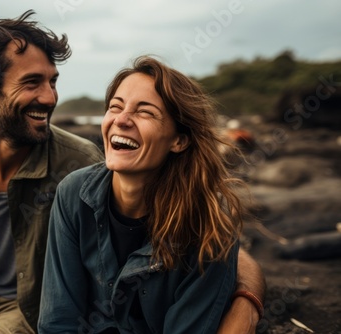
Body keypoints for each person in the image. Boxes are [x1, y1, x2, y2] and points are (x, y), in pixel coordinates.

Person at [0, 10, 264, 334]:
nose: (50, 98)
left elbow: (219, 246)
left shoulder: (79, 161)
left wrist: (245, 304)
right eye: (33, 82)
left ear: (179, 139)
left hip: (26, 313)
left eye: (52, 82)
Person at [38, 56, 264, 333]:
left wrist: (248, 305)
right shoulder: (74, 193)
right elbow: (58, 320)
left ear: (179, 140)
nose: (121, 120)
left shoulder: (208, 224)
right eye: (115, 107)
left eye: (144, 112)